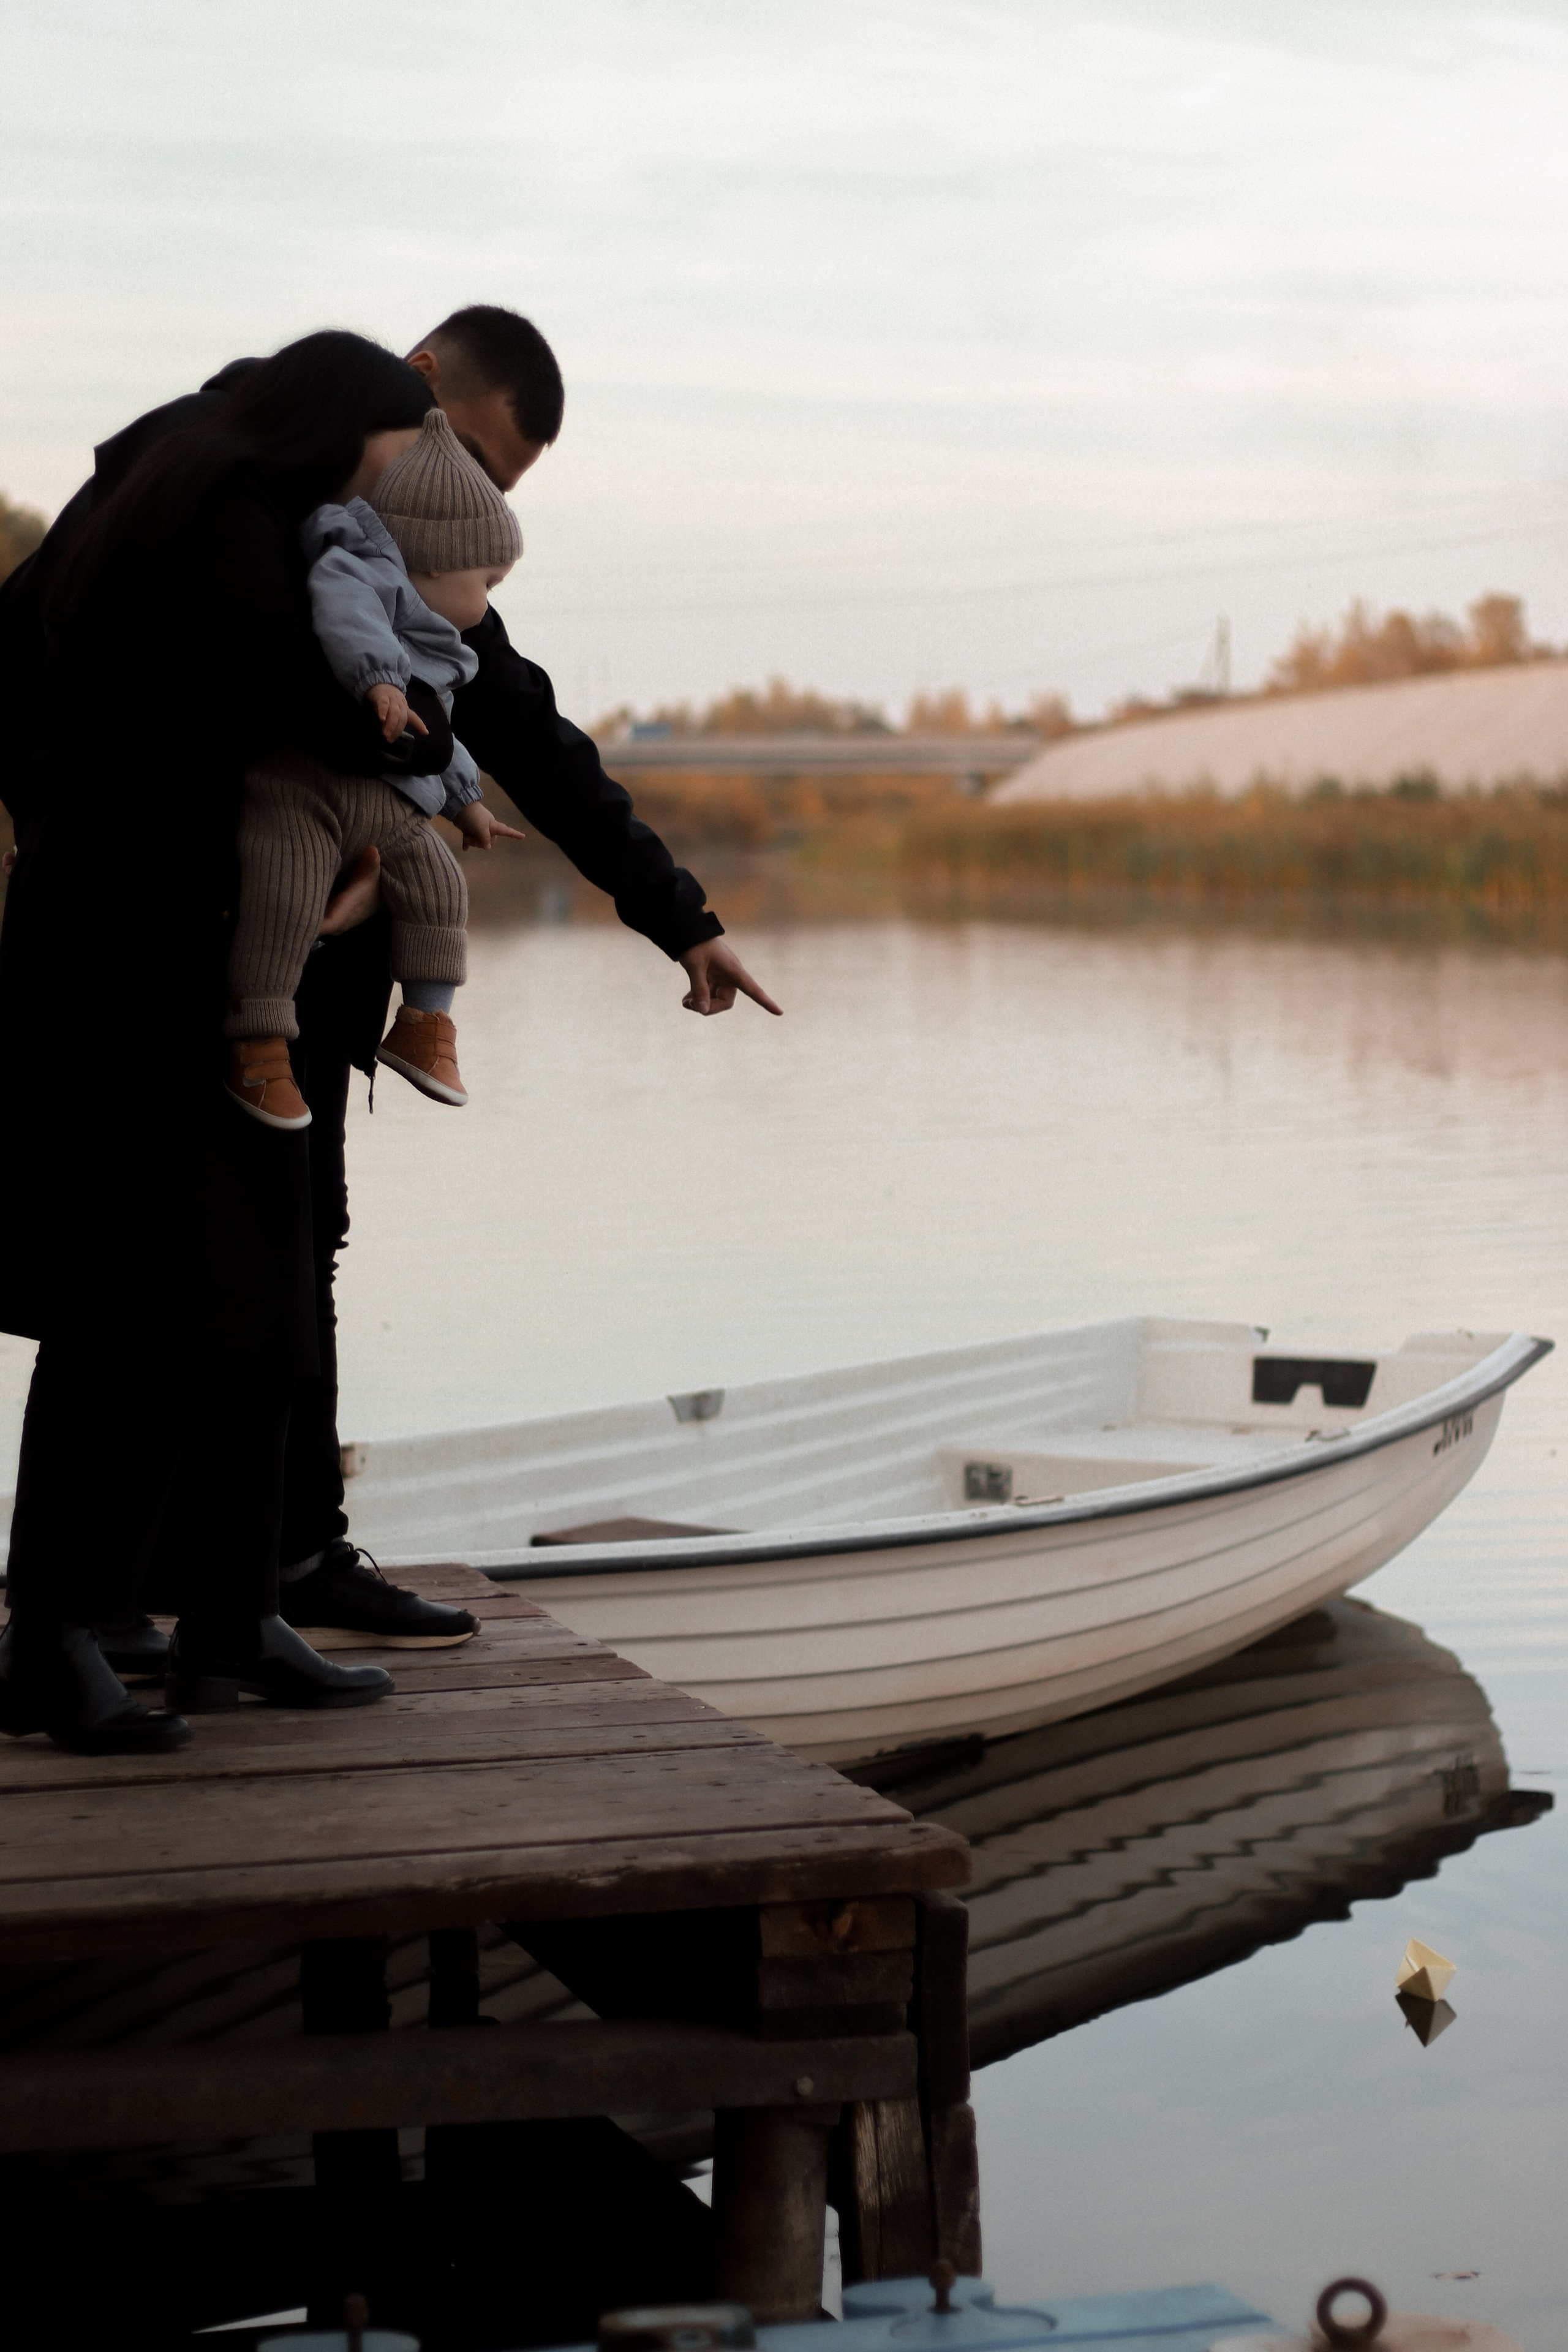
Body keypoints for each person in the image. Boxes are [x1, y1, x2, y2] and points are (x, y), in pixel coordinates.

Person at [0, 331, 463, 1747]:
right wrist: (416, 755)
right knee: (133, 1299)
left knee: (245, 1290)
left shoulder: (179, 494)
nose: (388, 487)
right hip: (149, 956)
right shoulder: (217, 500)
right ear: (341, 423)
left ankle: (226, 1615)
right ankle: (55, 1633)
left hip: (176, 940)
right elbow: (294, 689)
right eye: (392, 454)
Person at [225, 407, 526, 1130]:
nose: (487, 603)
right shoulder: (361, 571)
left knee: (438, 882)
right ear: (428, 563)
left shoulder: (436, 645)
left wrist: (467, 803)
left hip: (386, 805)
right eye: (485, 579)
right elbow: (345, 615)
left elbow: (439, 731)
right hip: (307, 791)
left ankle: (424, 1022)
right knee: (285, 888)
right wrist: (380, 681)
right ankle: (258, 1041)